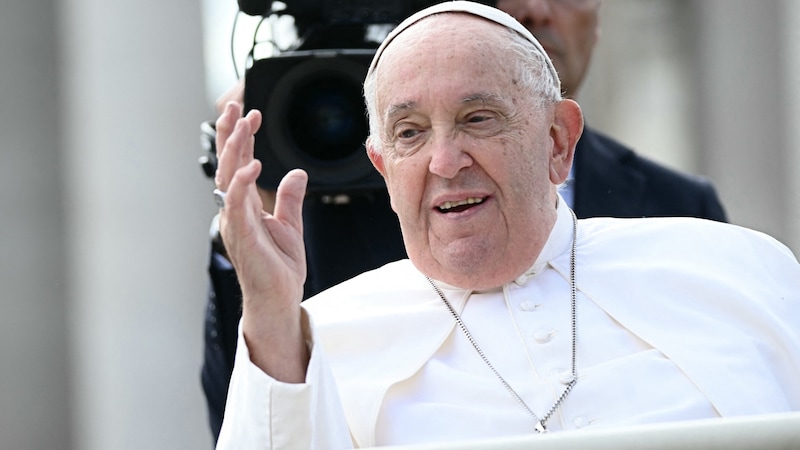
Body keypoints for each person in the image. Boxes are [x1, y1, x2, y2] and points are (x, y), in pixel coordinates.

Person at [212, 2, 799, 447]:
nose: (445, 162)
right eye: (411, 132)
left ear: (557, 141)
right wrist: (267, 310)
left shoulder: (739, 270)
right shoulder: (313, 339)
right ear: (383, 168)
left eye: (479, 118)